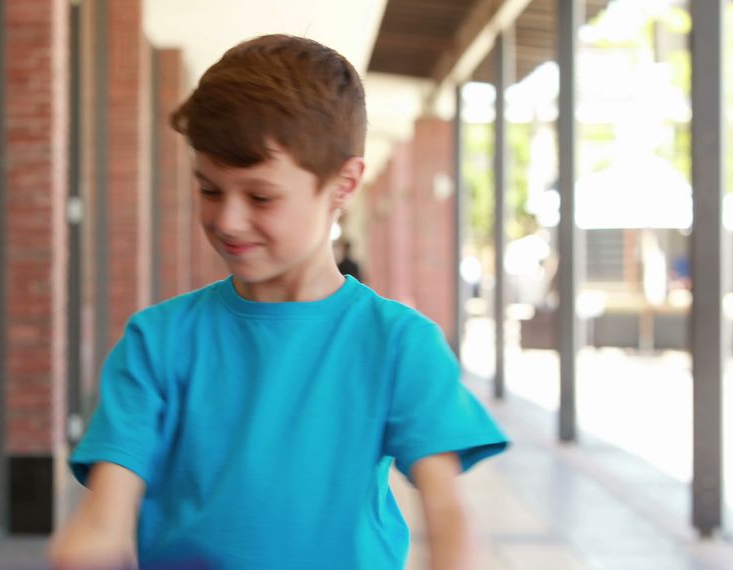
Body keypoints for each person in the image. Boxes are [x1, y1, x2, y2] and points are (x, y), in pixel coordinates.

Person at [50, 34, 508, 570]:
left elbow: (447, 513)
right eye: (210, 190)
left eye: (260, 196)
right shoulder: (157, 341)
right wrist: (89, 542)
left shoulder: (398, 344)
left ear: (343, 183)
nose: (228, 220)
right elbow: (105, 512)